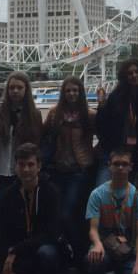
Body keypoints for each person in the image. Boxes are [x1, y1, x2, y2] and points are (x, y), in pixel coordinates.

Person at [0, 143, 62, 274]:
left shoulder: (50, 193)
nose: (26, 170)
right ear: (15, 167)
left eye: (31, 165)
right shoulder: (7, 196)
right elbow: (0, 232)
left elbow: (51, 233)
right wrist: (6, 261)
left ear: (39, 166)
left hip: (42, 249)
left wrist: (15, 250)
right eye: (22, 165)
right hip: (20, 256)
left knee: (47, 253)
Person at [43, 76, 97, 263]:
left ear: (80, 92)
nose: (72, 94)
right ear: (63, 93)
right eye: (68, 90)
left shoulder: (89, 115)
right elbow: (45, 138)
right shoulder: (53, 114)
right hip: (57, 170)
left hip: (79, 172)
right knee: (59, 215)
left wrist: (92, 156)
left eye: (75, 90)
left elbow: (103, 136)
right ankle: (70, 255)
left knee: (68, 214)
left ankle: (79, 255)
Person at [86, 148, 138, 274]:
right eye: (116, 164)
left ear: (130, 167)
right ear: (109, 166)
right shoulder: (97, 194)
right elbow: (93, 228)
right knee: (95, 258)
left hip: (127, 251)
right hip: (105, 248)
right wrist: (97, 244)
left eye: (124, 164)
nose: (120, 168)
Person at [96, 58, 138, 180]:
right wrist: (101, 105)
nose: (134, 75)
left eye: (137, 72)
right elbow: (103, 125)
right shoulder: (115, 97)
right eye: (130, 73)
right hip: (116, 152)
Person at [0, 72, 42, 195]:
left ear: (26, 90)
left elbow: (37, 146)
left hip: (24, 173)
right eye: (11, 88)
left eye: (19, 87)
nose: (15, 91)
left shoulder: (35, 115)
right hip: (0, 172)